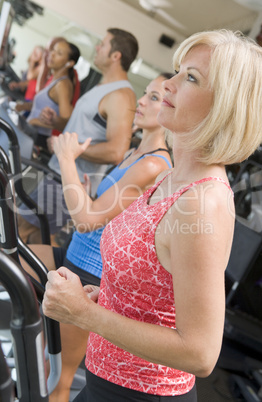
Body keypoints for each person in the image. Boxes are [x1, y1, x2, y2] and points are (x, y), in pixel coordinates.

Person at [42, 29, 262, 402]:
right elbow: (156, 292)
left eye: (191, 78)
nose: (169, 85)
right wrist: (110, 297)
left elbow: (200, 353)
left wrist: (86, 315)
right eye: (179, 70)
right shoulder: (168, 178)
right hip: (103, 378)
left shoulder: (203, 202)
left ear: (224, 106)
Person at [22, 73, 173, 402]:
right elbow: (101, 213)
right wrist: (88, 192)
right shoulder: (134, 153)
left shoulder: (155, 164)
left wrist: (66, 158)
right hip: (74, 256)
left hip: (90, 274)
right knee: (13, 259)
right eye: (145, 94)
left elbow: (86, 221)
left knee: (57, 378)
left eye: (155, 98)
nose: (142, 102)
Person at [18, 28, 138, 244]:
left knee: (20, 229)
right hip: (60, 176)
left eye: (102, 44)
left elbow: (116, 150)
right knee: (38, 238)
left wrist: (68, 150)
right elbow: (85, 129)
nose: (97, 47)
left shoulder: (121, 95)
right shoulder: (103, 87)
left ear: (115, 56)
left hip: (69, 180)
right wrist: (56, 124)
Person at [25, 39, 80, 150]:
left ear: (69, 63)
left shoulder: (62, 85)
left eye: (59, 53)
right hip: (32, 134)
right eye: (53, 50)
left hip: (39, 139)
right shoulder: (56, 79)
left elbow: (66, 123)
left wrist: (34, 121)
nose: (52, 54)